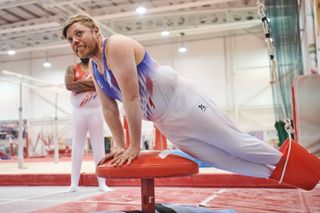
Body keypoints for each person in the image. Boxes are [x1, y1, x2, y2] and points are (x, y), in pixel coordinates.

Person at [62, 13, 320, 191]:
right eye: (70, 40)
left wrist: (133, 146)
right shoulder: (96, 71)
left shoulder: (115, 45)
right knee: (219, 159)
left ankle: (315, 172)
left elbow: (130, 97)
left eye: (79, 33)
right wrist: (118, 144)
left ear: (96, 31)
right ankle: (297, 176)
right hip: (165, 120)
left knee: (235, 144)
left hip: (182, 101)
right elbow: (109, 107)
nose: (75, 41)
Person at [65, 57, 112, 192]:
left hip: (95, 112)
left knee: (99, 147)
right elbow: (69, 85)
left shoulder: (98, 67)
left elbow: (103, 84)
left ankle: (102, 183)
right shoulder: (72, 68)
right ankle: (74, 183)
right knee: (77, 147)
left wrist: (79, 83)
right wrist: (92, 83)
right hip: (78, 112)